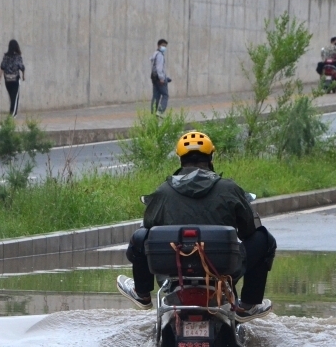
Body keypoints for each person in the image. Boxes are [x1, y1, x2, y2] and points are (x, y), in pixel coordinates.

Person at [116, 131, 276, 322]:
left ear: (180, 159)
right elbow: (249, 230)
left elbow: (148, 227)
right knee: (264, 239)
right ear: (211, 158)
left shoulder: (163, 192)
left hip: (172, 269)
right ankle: (248, 305)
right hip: (222, 268)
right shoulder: (229, 189)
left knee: (140, 235)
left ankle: (142, 293)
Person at [0, 39, 25, 116]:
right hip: (15, 80)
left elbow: (2, 67)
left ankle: (11, 114)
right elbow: (21, 67)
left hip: (7, 80)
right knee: (15, 98)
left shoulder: (6, 56)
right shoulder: (18, 57)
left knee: (11, 97)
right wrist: (23, 76)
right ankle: (12, 115)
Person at [150, 38, 171, 116]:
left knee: (156, 96)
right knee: (165, 95)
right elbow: (159, 68)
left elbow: (153, 67)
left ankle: (153, 113)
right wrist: (162, 78)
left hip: (154, 78)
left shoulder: (154, 54)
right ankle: (160, 111)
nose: (164, 48)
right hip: (159, 79)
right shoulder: (160, 55)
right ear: (158, 45)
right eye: (163, 45)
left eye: (165, 46)